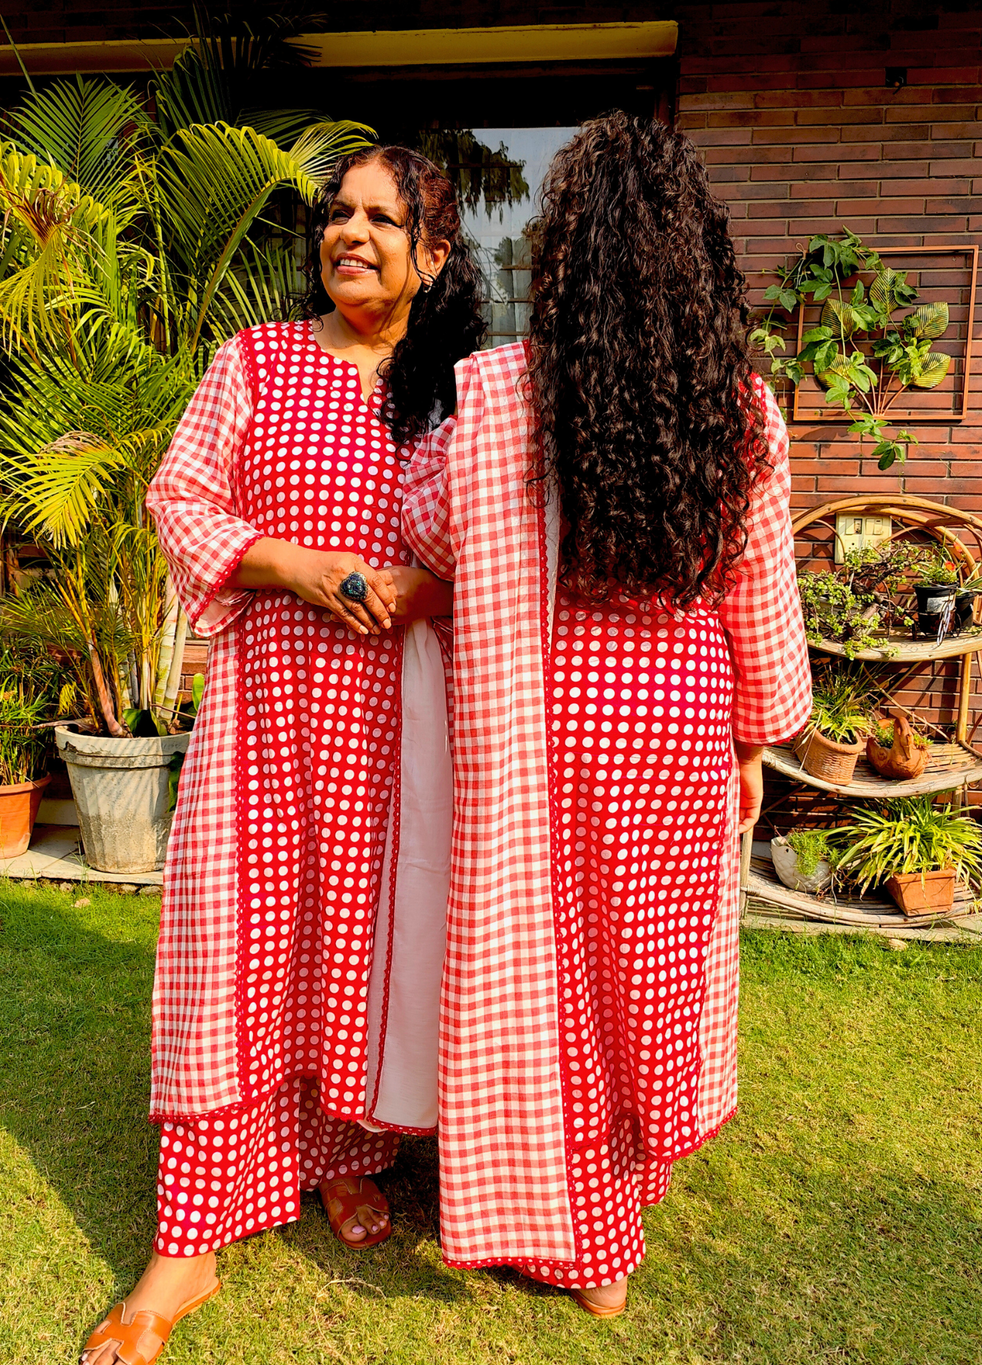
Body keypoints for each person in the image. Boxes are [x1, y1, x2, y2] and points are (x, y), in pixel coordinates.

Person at [402, 112, 812, 1318]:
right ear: (698, 255)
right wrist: (754, 740)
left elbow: (432, 532)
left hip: (545, 725)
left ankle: (581, 1236)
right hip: (677, 731)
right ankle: (623, 1201)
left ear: (564, 253)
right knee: (651, 971)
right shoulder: (738, 409)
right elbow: (758, 596)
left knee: (554, 982)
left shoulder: (503, 395)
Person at [83, 146, 485, 1365]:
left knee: (359, 942)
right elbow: (180, 497)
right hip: (264, 712)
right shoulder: (253, 361)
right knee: (233, 947)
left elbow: (494, 541)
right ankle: (189, 1240)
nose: (349, 233)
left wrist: (423, 588)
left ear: (434, 254)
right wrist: (298, 566)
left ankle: (345, 1153)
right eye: (337, 214)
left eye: (381, 219)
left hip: (396, 724)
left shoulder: (458, 388)